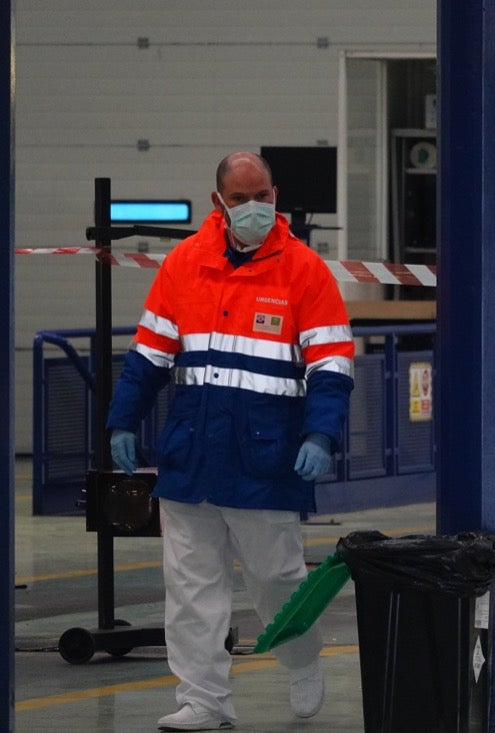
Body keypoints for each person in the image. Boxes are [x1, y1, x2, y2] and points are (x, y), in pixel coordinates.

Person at [106, 151, 355, 731]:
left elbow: (331, 365)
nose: (254, 208)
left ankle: (301, 659)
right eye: (240, 199)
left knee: (277, 580)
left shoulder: (303, 270)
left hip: (263, 458)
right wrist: (122, 420)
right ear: (218, 201)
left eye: (262, 196)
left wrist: (321, 434)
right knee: (191, 589)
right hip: (191, 455)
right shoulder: (185, 263)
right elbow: (148, 356)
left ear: (276, 195)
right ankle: (204, 700)